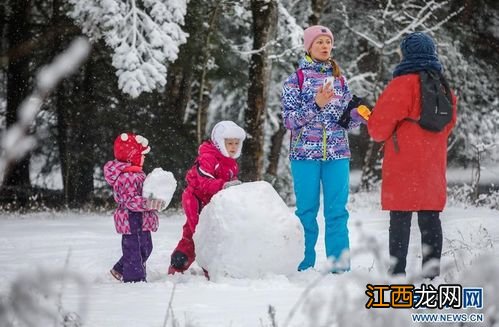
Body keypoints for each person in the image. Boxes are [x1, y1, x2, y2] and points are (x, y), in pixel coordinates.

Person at [367, 32, 457, 278]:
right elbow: (449, 122)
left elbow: (377, 129)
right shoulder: (443, 85)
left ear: (407, 54)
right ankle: (432, 276)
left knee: (400, 219)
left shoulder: (402, 84)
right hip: (432, 164)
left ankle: (397, 274)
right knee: (430, 219)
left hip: (403, 162)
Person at [281, 25, 366, 272]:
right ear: (308, 46)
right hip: (304, 155)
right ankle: (303, 265)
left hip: (338, 154)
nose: (325, 46)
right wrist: (316, 104)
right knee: (306, 212)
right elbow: (289, 120)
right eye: (319, 42)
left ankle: (340, 266)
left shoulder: (340, 79)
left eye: (328, 42)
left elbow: (345, 121)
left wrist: (356, 117)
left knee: (337, 212)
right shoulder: (294, 80)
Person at [168, 120, 246, 275]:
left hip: (211, 201)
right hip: (195, 199)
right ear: (219, 142)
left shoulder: (231, 163)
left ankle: (187, 263)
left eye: (236, 143)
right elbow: (203, 182)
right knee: (200, 232)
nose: (233, 147)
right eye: (229, 143)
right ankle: (194, 266)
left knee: (200, 233)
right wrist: (224, 185)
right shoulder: (208, 157)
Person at [104, 132, 165, 283]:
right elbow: (130, 201)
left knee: (145, 247)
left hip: (141, 217)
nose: (144, 157)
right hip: (131, 218)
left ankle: (119, 270)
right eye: (141, 154)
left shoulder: (136, 174)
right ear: (132, 156)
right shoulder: (127, 176)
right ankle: (134, 280)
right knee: (134, 250)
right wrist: (148, 203)